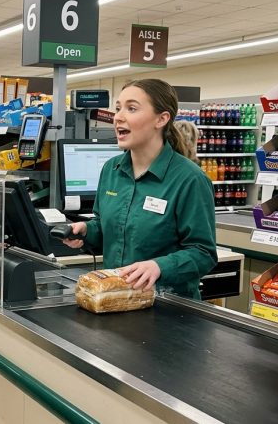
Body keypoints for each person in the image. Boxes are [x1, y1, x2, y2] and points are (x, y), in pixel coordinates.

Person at [63, 79, 217, 299]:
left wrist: (159, 267)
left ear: (161, 119)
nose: (118, 117)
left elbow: (204, 254)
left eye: (131, 108)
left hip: (169, 307)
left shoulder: (190, 179)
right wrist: (87, 231)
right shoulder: (111, 169)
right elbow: (106, 227)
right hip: (115, 298)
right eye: (118, 108)